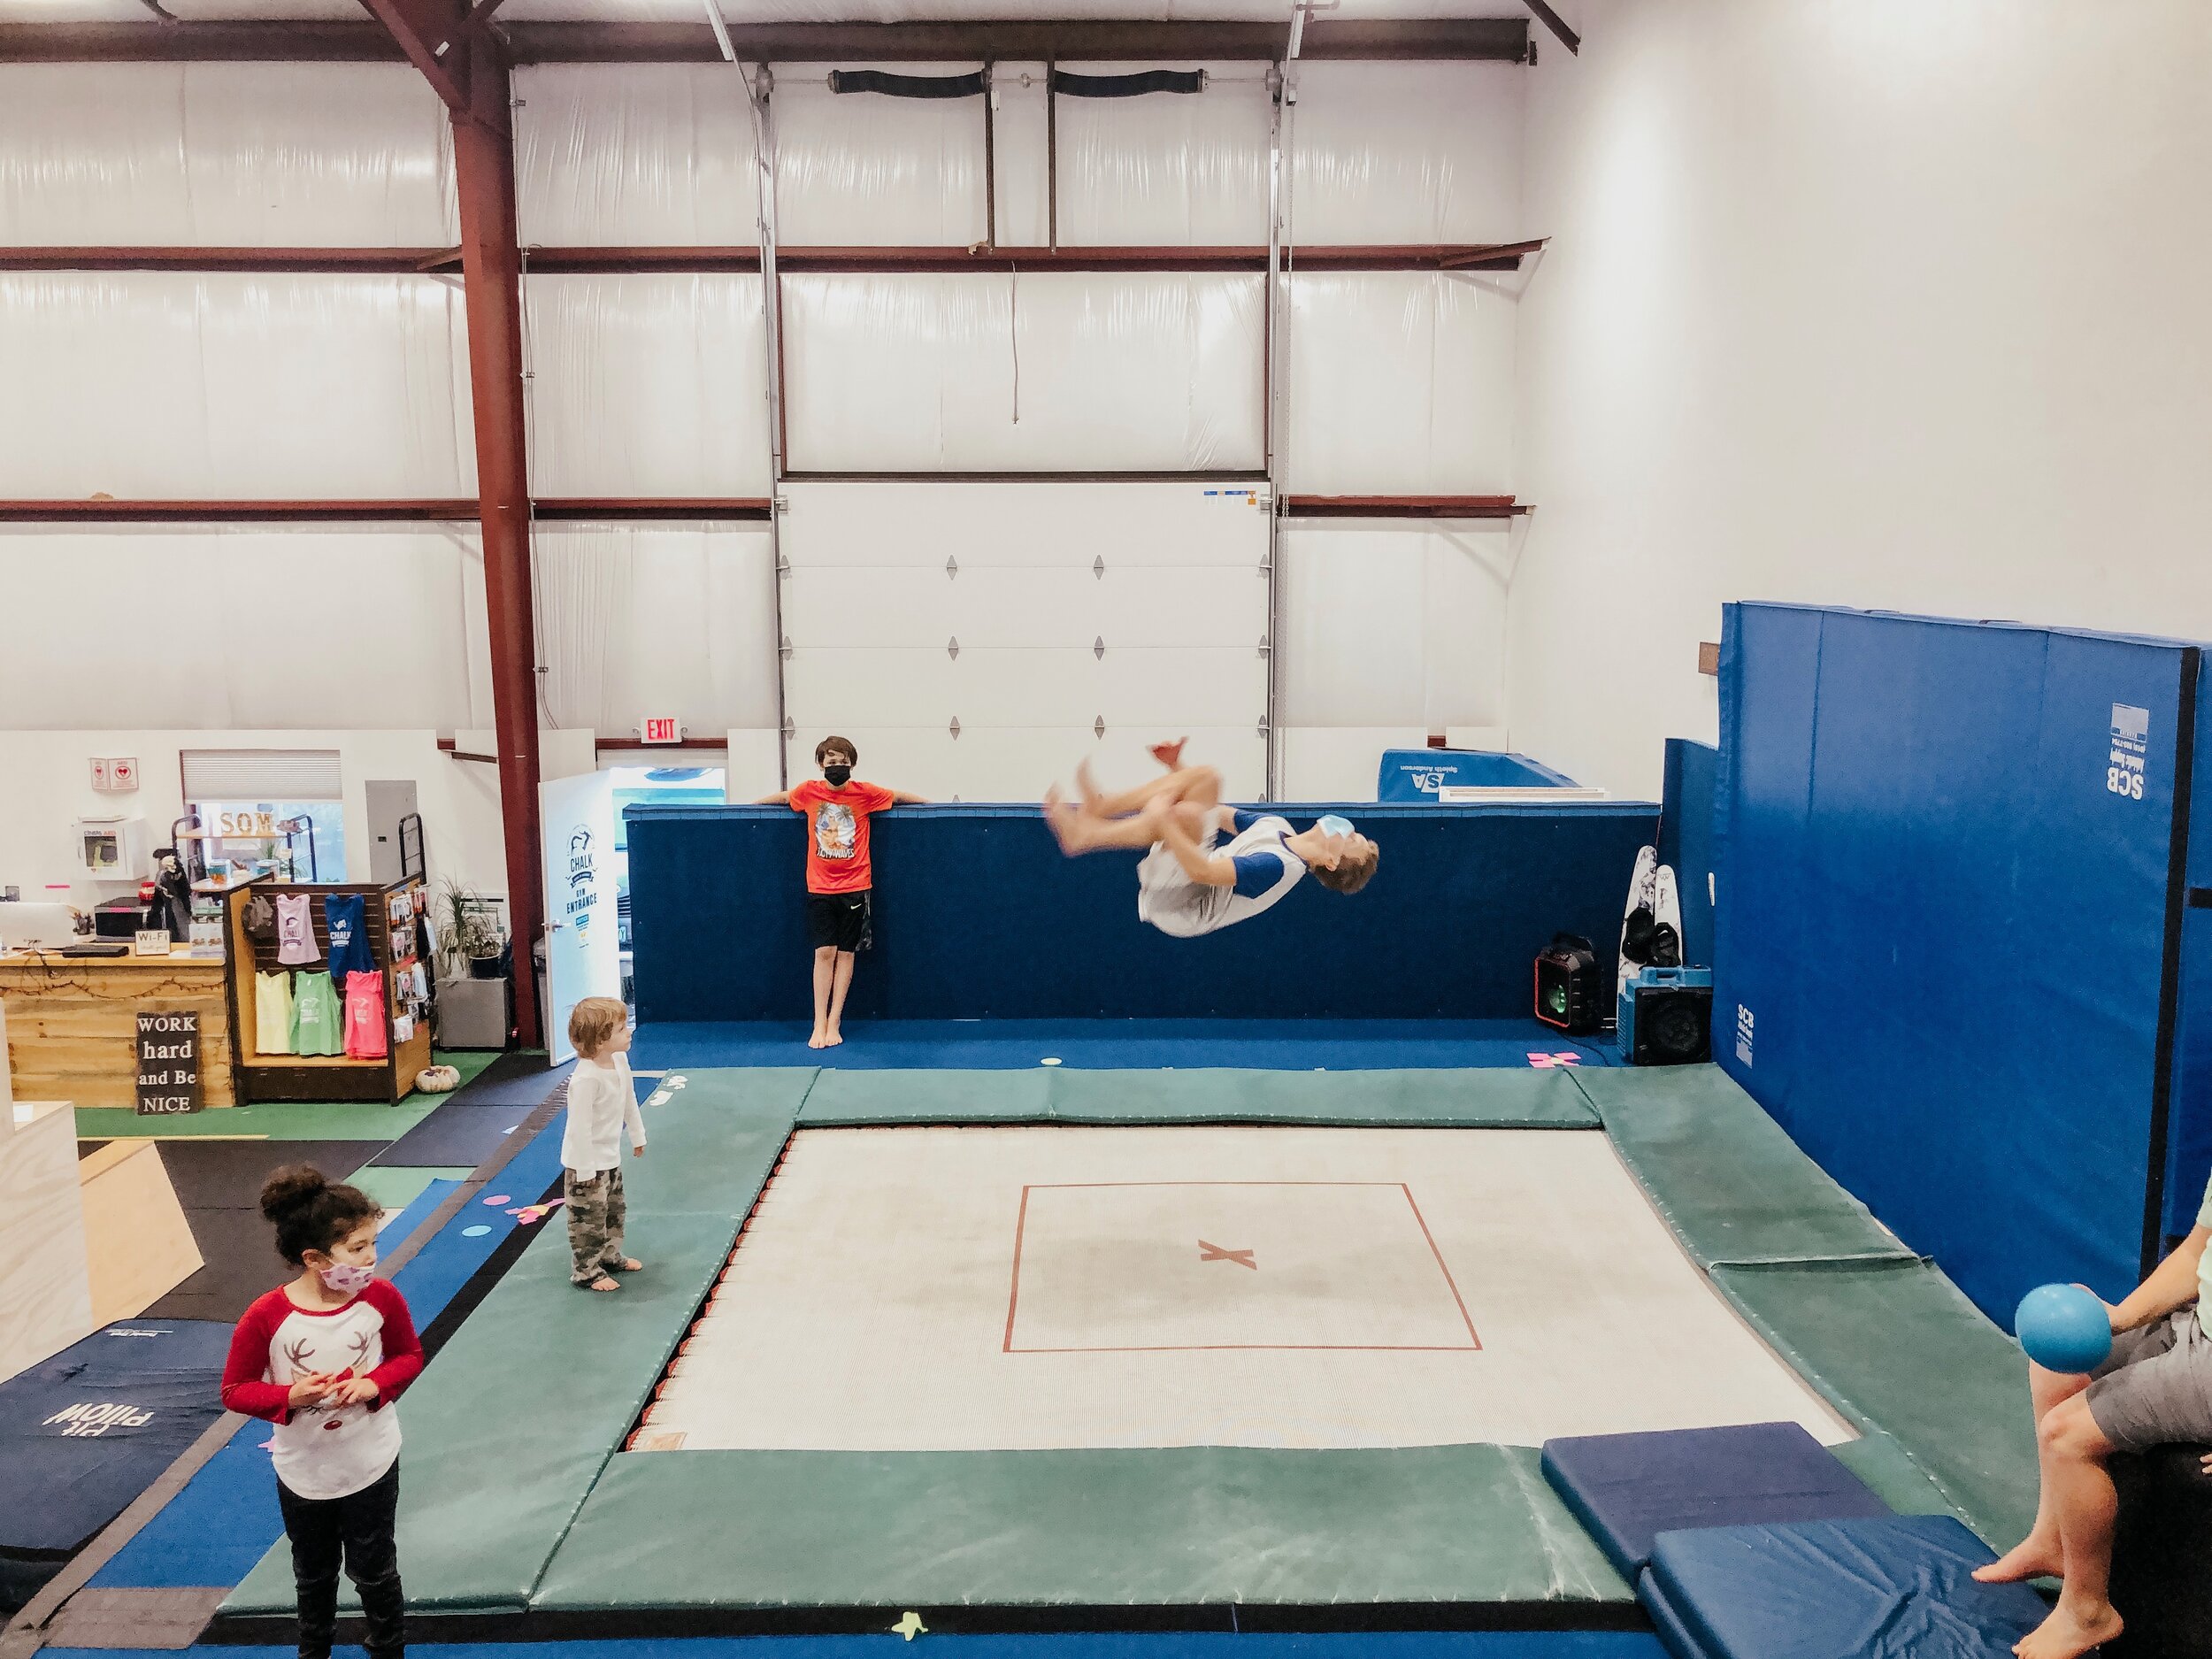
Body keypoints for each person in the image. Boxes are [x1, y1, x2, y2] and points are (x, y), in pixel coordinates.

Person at [1973, 1181, 2212, 1659]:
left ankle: (2088, 1612)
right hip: (2195, 1325)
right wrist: (2116, 1320)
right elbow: (2194, 1257)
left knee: (2068, 1437)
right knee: (2056, 1362)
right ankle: (2053, 1540)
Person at [220, 1166, 423, 1659]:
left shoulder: (380, 1298)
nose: (371, 1257)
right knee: (312, 1573)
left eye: (373, 1242)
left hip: (370, 1460)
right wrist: (288, 1397)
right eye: (357, 1249)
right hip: (304, 1470)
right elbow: (234, 1389)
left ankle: (388, 1648)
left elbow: (409, 1356)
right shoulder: (268, 1316)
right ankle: (314, 1650)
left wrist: (373, 1383)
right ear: (313, 1258)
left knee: (375, 1570)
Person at [1044, 737, 1379, 936]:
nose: (1348, 829)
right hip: (1196, 873)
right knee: (1206, 778)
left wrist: (1165, 819)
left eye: (1352, 840)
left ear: (1332, 862)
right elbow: (1215, 811)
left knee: (1183, 817)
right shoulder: (1276, 827)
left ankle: (1085, 836)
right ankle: (1102, 805)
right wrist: (1178, 770)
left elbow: (1201, 872)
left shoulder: (1279, 867)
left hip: (1182, 906)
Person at [757, 736, 926, 1048]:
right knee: (824, 953)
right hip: (820, 887)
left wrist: (934, 807)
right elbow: (783, 798)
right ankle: (818, 1022)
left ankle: (835, 1022)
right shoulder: (809, 792)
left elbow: (900, 796)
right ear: (821, 765)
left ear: (852, 764)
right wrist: (748, 806)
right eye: (831, 762)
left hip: (855, 887)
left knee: (846, 954)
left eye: (842, 762)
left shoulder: (864, 794)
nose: (837, 767)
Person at [563, 995, 646, 1293]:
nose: (630, 1032)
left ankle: (610, 1255)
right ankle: (587, 1270)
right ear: (599, 1041)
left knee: (614, 1210)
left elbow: (628, 1099)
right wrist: (585, 1171)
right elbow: (579, 1128)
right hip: (585, 1164)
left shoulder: (619, 1061)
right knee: (588, 1220)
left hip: (610, 1158)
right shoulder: (586, 1079)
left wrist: (637, 1135)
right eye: (622, 1029)